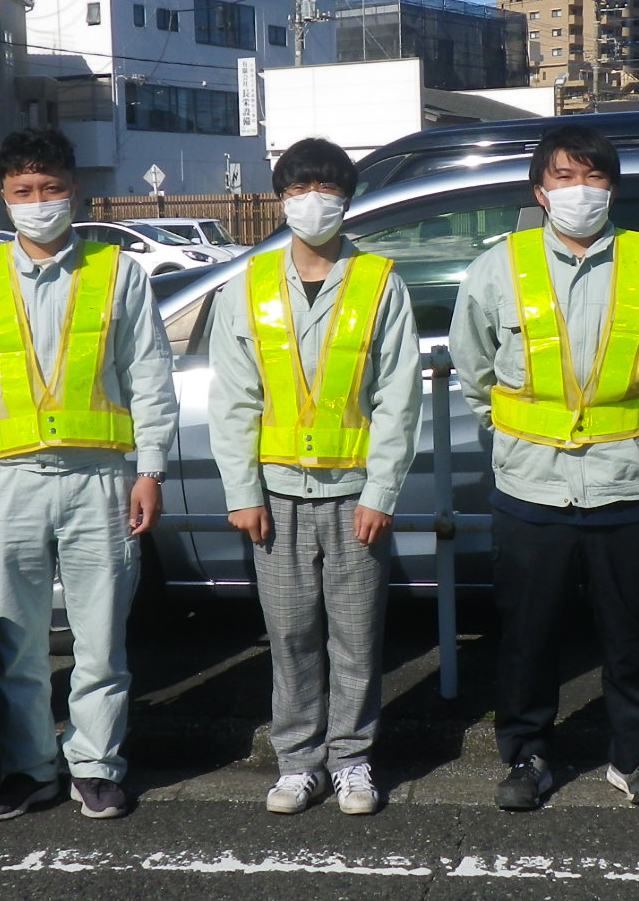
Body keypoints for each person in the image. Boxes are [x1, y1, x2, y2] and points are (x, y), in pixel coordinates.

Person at [448, 124, 639, 811]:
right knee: (527, 637)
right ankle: (527, 755)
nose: (579, 190)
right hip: (530, 485)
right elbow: (473, 367)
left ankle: (635, 757)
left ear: (612, 187)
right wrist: (510, 429)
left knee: (634, 635)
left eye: (593, 176)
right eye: (563, 176)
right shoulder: (499, 267)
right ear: (540, 189)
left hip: (628, 483)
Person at [0, 127, 177, 822]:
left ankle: (97, 765)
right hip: (5, 483)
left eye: (51, 188)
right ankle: (31, 767)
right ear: (4, 199)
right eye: (23, 192)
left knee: (102, 640)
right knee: (16, 642)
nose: (39, 202)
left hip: (99, 479)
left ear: (76, 190)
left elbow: (150, 375)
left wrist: (150, 468)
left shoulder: (118, 271)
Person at [206, 137, 422, 816]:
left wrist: (382, 491)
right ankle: (299, 761)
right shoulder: (250, 283)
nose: (312, 202)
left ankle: (352, 759)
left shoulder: (380, 281)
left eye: (326, 189)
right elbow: (232, 396)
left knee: (356, 636)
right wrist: (241, 492)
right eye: (298, 190)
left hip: (355, 492)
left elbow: (398, 397)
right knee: (292, 633)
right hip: (275, 494)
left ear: (347, 199)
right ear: (281, 199)